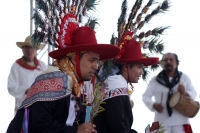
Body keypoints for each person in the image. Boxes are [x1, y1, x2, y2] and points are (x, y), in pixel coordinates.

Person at [93, 31, 159, 133]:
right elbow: (116, 124)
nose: (141, 72)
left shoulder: (115, 83)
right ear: (126, 66)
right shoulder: (116, 84)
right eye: (139, 67)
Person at [142, 52, 197, 133]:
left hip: (181, 121)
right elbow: (145, 96)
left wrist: (185, 93)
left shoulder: (184, 78)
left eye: (171, 60)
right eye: (165, 60)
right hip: (161, 121)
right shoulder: (155, 80)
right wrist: (153, 105)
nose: (168, 62)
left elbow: (194, 93)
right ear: (162, 63)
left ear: (177, 63)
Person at [7, 36, 48, 115]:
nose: (29, 50)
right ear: (22, 50)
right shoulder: (16, 66)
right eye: (26, 48)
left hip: (40, 108)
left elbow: (49, 84)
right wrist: (25, 91)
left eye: (32, 48)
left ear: (36, 50)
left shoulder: (42, 66)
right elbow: (10, 87)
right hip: (23, 108)